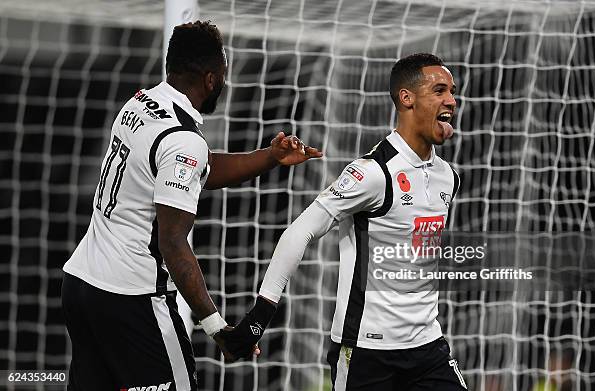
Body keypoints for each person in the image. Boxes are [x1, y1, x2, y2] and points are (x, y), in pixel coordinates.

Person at [61, 20, 321, 391]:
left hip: (82, 284)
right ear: (211, 79)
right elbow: (172, 242)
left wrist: (270, 157)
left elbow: (197, 167)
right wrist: (217, 328)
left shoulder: (140, 103)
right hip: (133, 297)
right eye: (224, 75)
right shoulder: (184, 141)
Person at [216, 53, 467, 390]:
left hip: (427, 348)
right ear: (406, 98)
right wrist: (259, 319)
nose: (451, 100)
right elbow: (298, 232)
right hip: (367, 352)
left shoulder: (446, 176)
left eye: (452, 91)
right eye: (439, 90)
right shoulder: (372, 172)